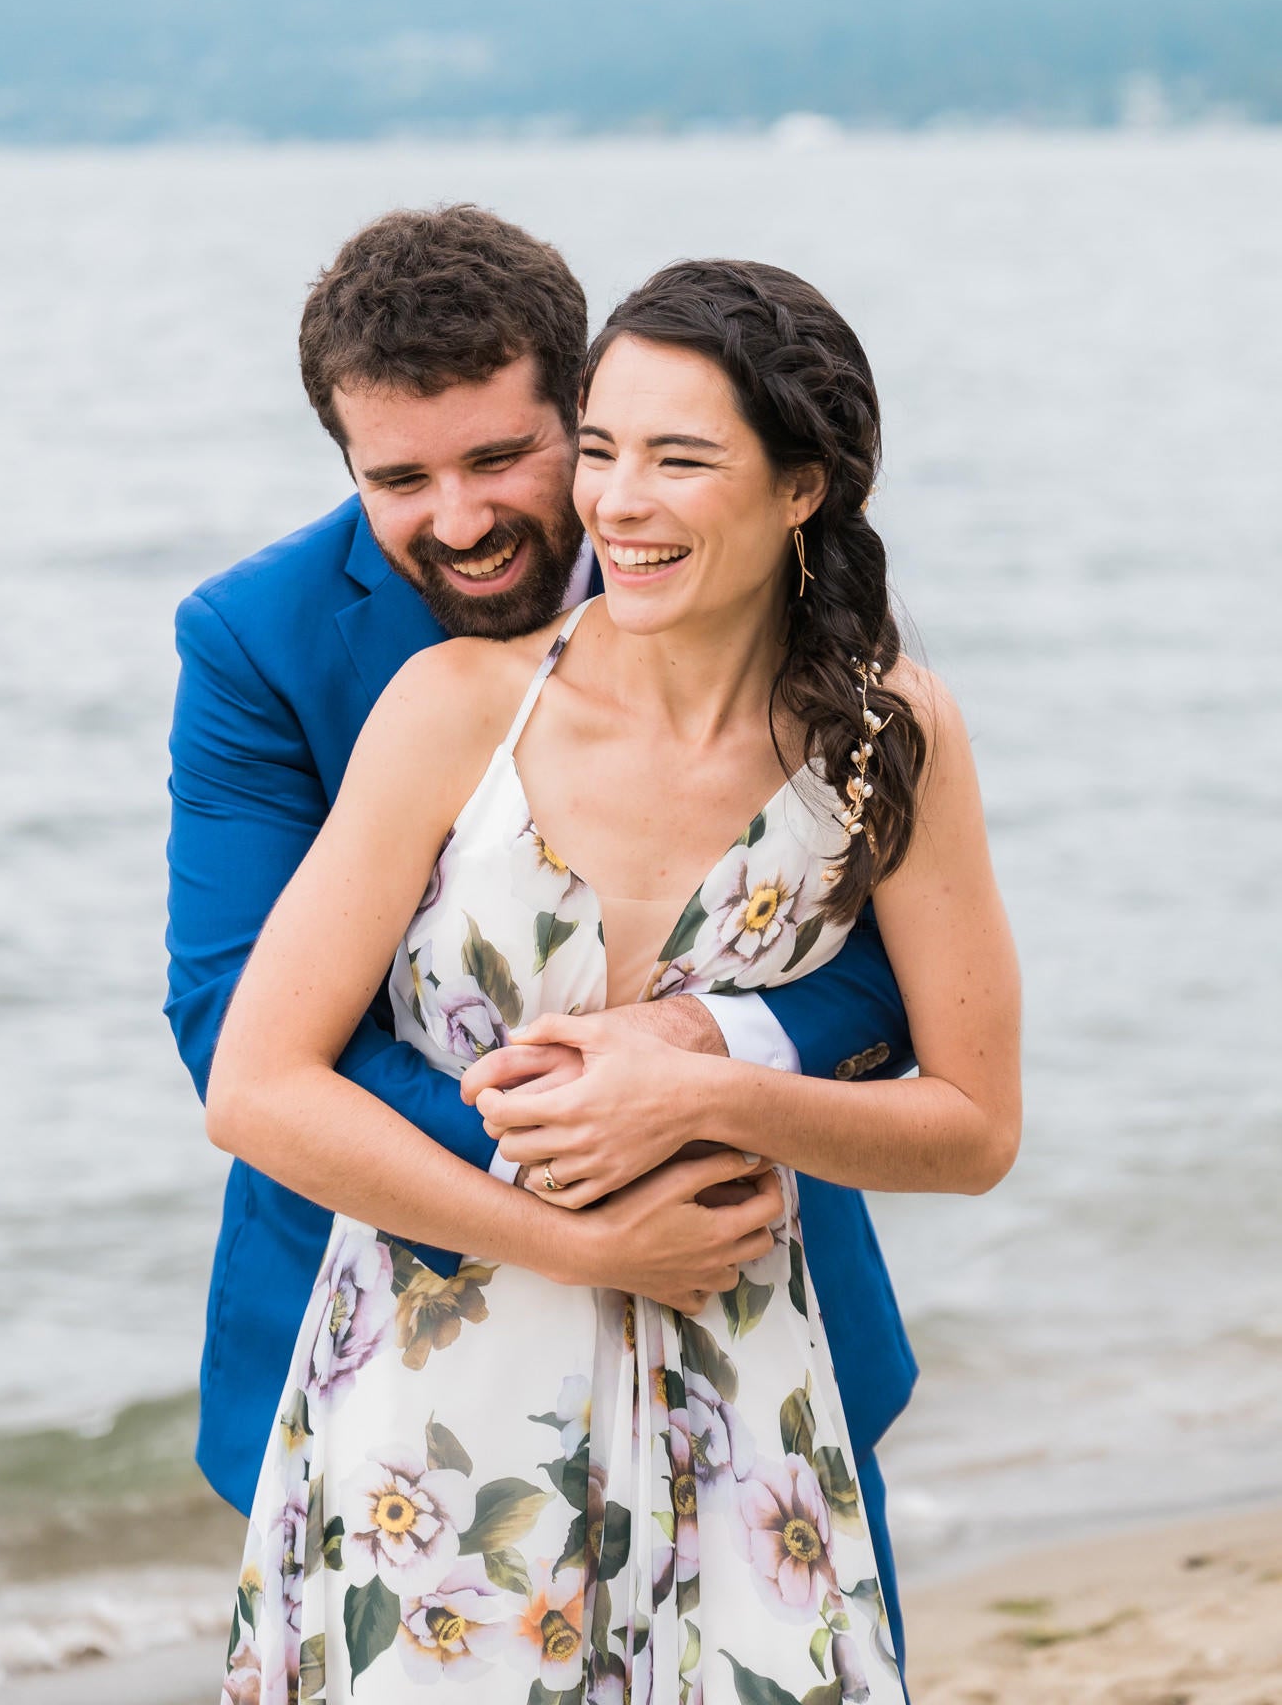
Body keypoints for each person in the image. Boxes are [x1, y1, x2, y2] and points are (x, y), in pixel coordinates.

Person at [201, 256, 1021, 1703]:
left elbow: (952, 1084)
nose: (609, 499)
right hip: (435, 1367)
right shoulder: (376, 680)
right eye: (605, 456)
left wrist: (698, 1075)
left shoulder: (886, 725)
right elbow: (244, 1050)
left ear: (797, 485)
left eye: (518, 455)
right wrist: (584, 1205)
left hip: (747, 1367)